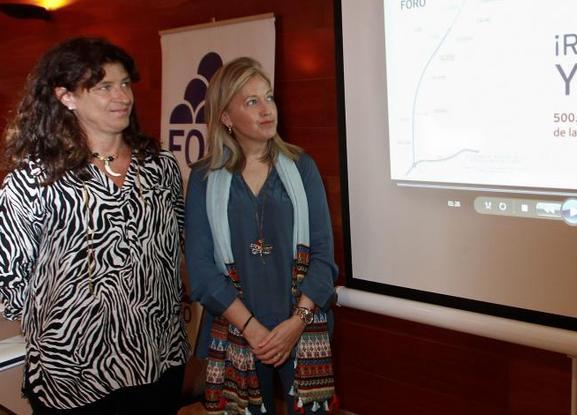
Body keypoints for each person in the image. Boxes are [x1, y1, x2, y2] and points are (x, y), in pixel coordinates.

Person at [0, 37, 189, 414]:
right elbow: (10, 284)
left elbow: (176, 248)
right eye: (104, 86)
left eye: (124, 84)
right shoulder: (34, 179)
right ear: (66, 96)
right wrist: (74, 316)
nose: (122, 96)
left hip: (159, 360)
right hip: (72, 374)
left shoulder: (161, 165)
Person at [185, 57, 338, 415]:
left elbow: (323, 258)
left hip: (301, 326)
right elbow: (203, 273)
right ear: (225, 116)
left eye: (268, 97)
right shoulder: (204, 179)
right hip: (235, 329)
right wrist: (253, 329)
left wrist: (293, 326)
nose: (267, 109)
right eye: (251, 101)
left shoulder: (302, 166)